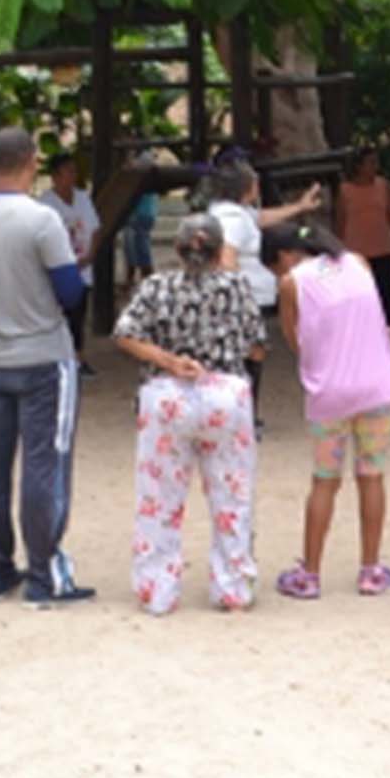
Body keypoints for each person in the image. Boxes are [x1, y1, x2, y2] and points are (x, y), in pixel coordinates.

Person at [0, 127, 94, 606]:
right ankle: (44, 574)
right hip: (43, 353)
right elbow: (70, 291)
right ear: (32, 160)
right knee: (45, 462)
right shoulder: (41, 220)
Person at [112, 214, 267, 614]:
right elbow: (257, 347)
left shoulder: (156, 286)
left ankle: (158, 590)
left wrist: (168, 360)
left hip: (166, 397)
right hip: (225, 396)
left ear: (179, 250)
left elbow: (125, 334)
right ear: (218, 252)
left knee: (158, 498)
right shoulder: (237, 287)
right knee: (232, 495)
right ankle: (234, 587)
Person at [269, 220, 390, 599]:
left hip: (330, 393)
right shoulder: (358, 262)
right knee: (372, 475)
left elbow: (295, 339)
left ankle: (310, 573)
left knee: (325, 480)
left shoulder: (292, 282)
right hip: (378, 387)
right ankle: (371, 570)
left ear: (284, 257)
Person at [207, 159, 321, 420]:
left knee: (251, 354)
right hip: (244, 299)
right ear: (247, 187)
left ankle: (244, 413)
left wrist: (299, 206)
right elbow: (227, 258)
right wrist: (239, 298)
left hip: (247, 297)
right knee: (248, 355)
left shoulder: (237, 213)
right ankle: (242, 415)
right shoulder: (232, 219)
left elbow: (261, 218)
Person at [37, 153, 102, 375]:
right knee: (57, 314)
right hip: (58, 267)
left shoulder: (82, 198)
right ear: (56, 176)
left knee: (78, 314)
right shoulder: (45, 204)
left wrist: (90, 255)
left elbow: (95, 229)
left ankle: (78, 357)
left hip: (82, 266)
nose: (73, 176)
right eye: (68, 171)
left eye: (74, 171)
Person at [332, 145, 390, 324]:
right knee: (360, 298)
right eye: (371, 163)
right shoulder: (345, 191)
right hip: (356, 252)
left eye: (376, 162)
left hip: (383, 249)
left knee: (384, 297)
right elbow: (340, 223)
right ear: (359, 166)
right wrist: (337, 252)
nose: (375, 166)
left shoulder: (383, 186)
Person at [121, 165, 160, 290]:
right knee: (131, 247)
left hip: (140, 212)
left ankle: (148, 282)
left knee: (140, 248)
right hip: (138, 212)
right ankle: (133, 280)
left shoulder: (141, 164)